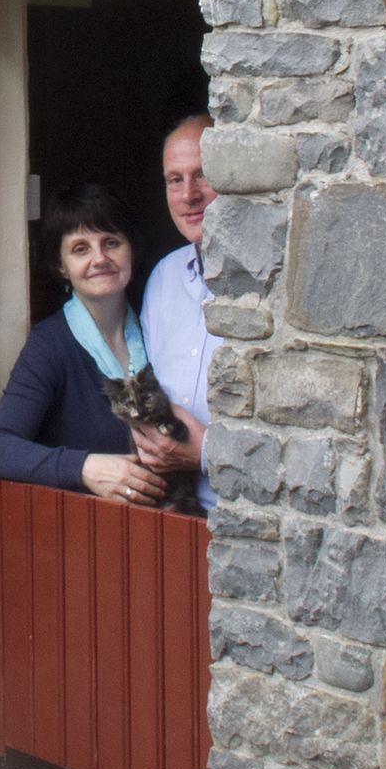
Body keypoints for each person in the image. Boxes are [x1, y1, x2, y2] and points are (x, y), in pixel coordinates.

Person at [0, 183, 167, 505]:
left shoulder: (161, 326)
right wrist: (84, 467)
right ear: (60, 266)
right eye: (80, 249)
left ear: (131, 250)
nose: (100, 258)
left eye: (111, 242)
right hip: (91, 532)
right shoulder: (50, 345)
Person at [140, 113, 217, 506]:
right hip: (169, 515)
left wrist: (205, 453)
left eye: (203, 175)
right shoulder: (164, 278)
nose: (189, 195)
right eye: (175, 179)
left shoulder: (272, 285)